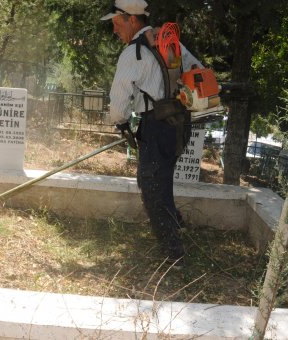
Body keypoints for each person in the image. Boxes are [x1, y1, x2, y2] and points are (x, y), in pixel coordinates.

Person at [101, 0, 203, 268]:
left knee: (150, 186)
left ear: (132, 20)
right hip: (179, 123)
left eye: (116, 23)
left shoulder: (133, 52)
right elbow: (197, 70)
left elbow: (119, 95)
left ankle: (175, 253)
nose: (114, 29)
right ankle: (177, 224)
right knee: (162, 176)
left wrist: (121, 123)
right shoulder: (169, 43)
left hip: (156, 126)